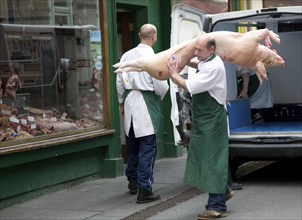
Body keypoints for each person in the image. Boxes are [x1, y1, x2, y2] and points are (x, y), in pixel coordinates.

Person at [166, 34, 233, 219]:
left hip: (212, 119)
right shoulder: (209, 59)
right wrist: (187, 60)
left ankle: (216, 206)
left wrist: (173, 74)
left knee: (211, 159)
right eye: (195, 49)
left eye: (199, 50)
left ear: (211, 49)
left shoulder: (213, 66)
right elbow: (199, 64)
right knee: (215, 156)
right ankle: (225, 189)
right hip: (206, 118)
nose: (195, 53)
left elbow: (188, 85)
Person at [116, 24, 169, 204]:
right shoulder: (153, 58)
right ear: (154, 37)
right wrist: (160, 96)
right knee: (147, 147)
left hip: (130, 101)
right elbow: (161, 84)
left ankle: (132, 181)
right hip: (146, 103)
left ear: (140, 35)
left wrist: (121, 101)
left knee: (132, 145)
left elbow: (120, 80)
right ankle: (144, 189)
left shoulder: (126, 55)